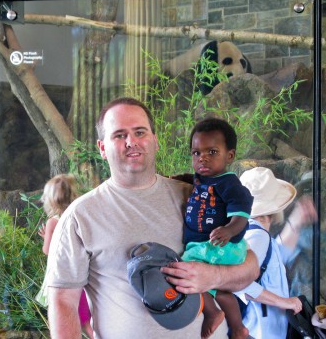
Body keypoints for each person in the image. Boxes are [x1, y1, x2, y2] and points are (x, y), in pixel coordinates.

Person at [46, 97, 259, 339]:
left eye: (139, 132)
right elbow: (63, 301)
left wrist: (214, 276)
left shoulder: (196, 197)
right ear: (102, 148)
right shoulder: (80, 216)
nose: (131, 142)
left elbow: (250, 267)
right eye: (119, 135)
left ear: (155, 141)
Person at [182, 118, 253, 339]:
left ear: (229, 156)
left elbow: (242, 215)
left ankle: (212, 313)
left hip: (216, 245)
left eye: (212, 152)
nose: (202, 157)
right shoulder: (202, 179)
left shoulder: (230, 184)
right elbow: (194, 182)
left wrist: (230, 231)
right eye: (196, 153)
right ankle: (238, 327)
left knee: (186, 272)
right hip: (213, 246)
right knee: (221, 292)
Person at [237, 167, 318, 339]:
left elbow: (271, 261)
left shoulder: (255, 233)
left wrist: (296, 221)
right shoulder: (257, 237)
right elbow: (238, 284)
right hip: (259, 333)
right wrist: (284, 302)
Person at [37, 174, 94, 339]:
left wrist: (47, 239)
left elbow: (47, 250)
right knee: (85, 318)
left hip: (62, 276)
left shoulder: (53, 222)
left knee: (70, 316)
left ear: (50, 199)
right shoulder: (78, 215)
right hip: (82, 274)